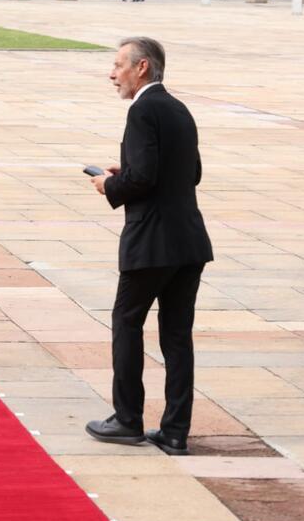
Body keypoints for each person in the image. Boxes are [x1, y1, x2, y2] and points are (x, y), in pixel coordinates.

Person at [84, 37, 213, 456]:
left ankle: (127, 418)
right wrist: (133, 169)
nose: (112, 73)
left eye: (119, 65)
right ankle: (175, 431)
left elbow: (143, 181)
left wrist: (110, 183)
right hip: (188, 240)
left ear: (141, 68)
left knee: (127, 322)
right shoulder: (178, 108)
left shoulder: (142, 110)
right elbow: (189, 172)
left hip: (151, 242)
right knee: (177, 337)